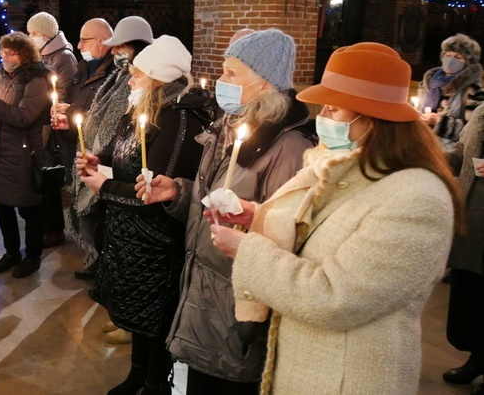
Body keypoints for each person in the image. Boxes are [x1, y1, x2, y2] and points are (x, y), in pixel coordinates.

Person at [208, 42, 464, 395]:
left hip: (350, 376)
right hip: (310, 361)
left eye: (333, 109)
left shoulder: (416, 198)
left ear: (372, 116)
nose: (322, 118)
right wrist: (257, 216)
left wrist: (246, 251)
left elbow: (335, 297)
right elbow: (319, 229)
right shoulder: (346, 166)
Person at [136, 29, 315, 394]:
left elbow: (282, 233)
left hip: (234, 304)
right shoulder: (228, 128)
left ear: (263, 84)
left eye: (232, 73)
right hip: (201, 290)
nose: (221, 81)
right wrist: (179, 191)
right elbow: (215, 202)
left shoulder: (288, 148)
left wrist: (246, 234)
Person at [79, 35, 212, 395]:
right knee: (138, 319)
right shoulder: (143, 111)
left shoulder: (178, 122)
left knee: (154, 321)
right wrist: (100, 165)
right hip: (129, 236)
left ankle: (156, 384)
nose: (131, 81)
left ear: (157, 79)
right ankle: (137, 374)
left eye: (137, 75)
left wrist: (102, 188)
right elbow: (127, 165)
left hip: (156, 240)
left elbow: (150, 192)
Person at [59, 16, 154, 346]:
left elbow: (126, 132)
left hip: (126, 178)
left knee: (130, 260)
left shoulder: (146, 88)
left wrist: (109, 164)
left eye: (123, 48)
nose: (116, 53)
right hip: (110, 168)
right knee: (112, 248)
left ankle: (130, 322)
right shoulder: (116, 77)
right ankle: (120, 312)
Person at [0, 32, 51, 279]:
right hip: (2, 148)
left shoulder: (36, 80)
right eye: (2, 52)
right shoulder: (6, 77)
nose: (4, 57)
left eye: (10, 53)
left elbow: (24, 117)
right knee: (3, 205)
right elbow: (4, 113)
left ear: (24, 54)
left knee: (29, 208)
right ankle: (11, 252)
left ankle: (32, 256)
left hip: (25, 153)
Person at [52, 18, 115, 275]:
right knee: (81, 207)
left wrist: (73, 112)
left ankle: (101, 264)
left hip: (99, 153)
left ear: (101, 42)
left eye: (84, 40)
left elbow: (106, 116)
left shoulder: (111, 74)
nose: (78, 45)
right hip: (77, 147)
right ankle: (92, 256)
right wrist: (63, 119)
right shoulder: (83, 69)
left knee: (98, 210)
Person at [27, 12, 78, 248]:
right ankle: (47, 223)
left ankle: (55, 228)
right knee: (40, 176)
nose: (31, 37)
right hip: (39, 122)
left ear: (46, 34)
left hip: (54, 127)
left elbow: (62, 92)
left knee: (50, 177)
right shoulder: (40, 55)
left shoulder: (64, 57)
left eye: (34, 33)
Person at [443, 103, 484, 395]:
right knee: (472, 298)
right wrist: (427, 158)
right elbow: (460, 152)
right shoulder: (482, 111)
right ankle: (477, 359)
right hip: (474, 222)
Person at [418, 33, 484, 152]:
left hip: (449, 152)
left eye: (458, 57)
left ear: (467, 62)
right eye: (448, 55)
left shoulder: (473, 90)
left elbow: (473, 131)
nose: (451, 60)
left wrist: (439, 121)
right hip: (423, 145)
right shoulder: (429, 84)